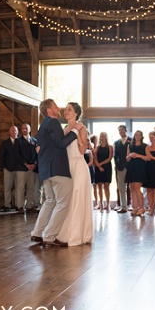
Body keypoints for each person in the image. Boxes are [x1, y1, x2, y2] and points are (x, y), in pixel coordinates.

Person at [30, 99, 80, 246]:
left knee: (50, 201)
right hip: (58, 169)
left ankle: (37, 233)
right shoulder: (53, 122)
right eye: (55, 106)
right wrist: (75, 131)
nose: (58, 108)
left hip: (46, 171)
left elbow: (41, 147)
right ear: (50, 111)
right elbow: (61, 143)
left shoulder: (43, 125)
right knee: (63, 203)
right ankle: (49, 236)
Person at [55, 102, 93, 246]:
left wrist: (77, 133)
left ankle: (76, 234)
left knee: (77, 198)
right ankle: (64, 232)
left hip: (78, 164)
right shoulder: (64, 129)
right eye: (66, 109)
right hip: (66, 166)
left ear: (76, 113)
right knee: (67, 199)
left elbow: (83, 151)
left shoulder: (82, 128)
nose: (66, 111)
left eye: (69, 109)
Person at [0, 125, 29, 212]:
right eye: (12, 131)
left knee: (18, 187)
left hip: (19, 168)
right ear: (9, 132)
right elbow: (1, 156)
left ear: (17, 132)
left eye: (15, 131)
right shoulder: (5, 143)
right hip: (8, 168)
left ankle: (17, 204)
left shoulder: (20, 141)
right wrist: (3, 167)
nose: (14, 132)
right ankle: (7, 204)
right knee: (7, 187)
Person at [124, 131, 148, 216]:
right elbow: (127, 158)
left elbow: (148, 157)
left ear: (141, 136)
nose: (137, 136)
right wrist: (130, 155)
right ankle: (135, 208)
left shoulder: (145, 146)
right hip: (131, 167)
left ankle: (142, 208)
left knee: (137, 188)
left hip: (140, 167)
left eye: (139, 135)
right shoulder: (130, 145)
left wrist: (138, 155)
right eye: (136, 135)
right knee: (132, 188)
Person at [19, 123, 39, 211]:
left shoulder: (34, 141)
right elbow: (17, 154)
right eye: (23, 128)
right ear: (21, 130)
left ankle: (29, 206)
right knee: (21, 187)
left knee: (31, 187)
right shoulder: (18, 141)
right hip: (22, 168)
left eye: (26, 128)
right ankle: (20, 206)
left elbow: (37, 154)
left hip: (33, 168)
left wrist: (35, 163)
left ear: (29, 130)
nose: (24, 130)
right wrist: (25, 164)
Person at [112, 125, 131, 213]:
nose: (121, 131)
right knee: (121, 187)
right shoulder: (116, 142)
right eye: (119, 130)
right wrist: (117, 165)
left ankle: (133, 206)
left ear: (126, 130)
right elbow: (115, 156)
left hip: (130, 167)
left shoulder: (131, 140)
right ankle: (123, 207)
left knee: (132, 187)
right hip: (120, 168)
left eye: (122, 130)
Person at [92, 131, 113, 211]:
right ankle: (101, 203)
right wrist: (98, 165)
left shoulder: (110, 147)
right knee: (99, 186)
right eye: (101, 136)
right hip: (98, 167)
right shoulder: (97, 147)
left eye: (103, 136)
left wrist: (101, 164)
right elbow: (95, 157)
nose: (102, 137)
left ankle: (108, 204)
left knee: (106, 186)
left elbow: (110, 158)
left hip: (107, 167)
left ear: (106, 137)